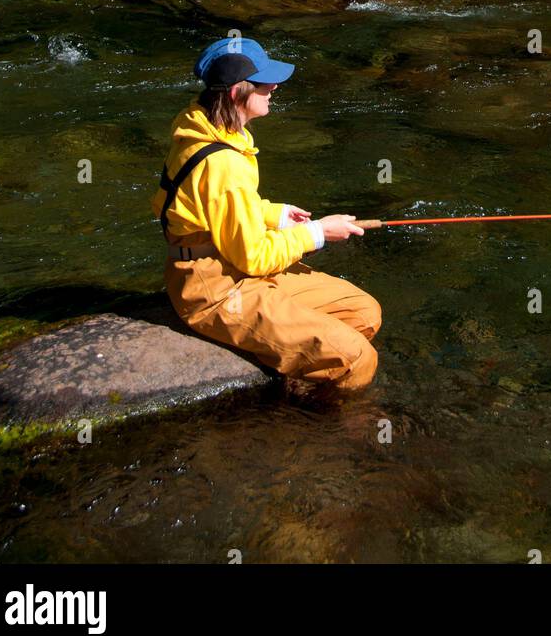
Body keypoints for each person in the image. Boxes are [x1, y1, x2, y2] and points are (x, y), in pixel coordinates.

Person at [152, 36, 382, 391]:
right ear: (235, 94)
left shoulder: (208, 127)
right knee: (357, 358)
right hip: (215, 290)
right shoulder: (222, 161)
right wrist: (318, 233)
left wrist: (275, 215)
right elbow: (254, 257)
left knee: (364, 313)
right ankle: (320, 425)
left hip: (230, 265)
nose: (274, 87)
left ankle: (291, 365)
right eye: (263, 84)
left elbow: (215, 208)